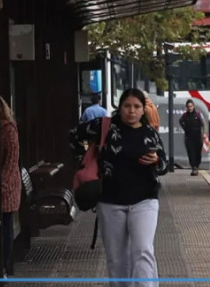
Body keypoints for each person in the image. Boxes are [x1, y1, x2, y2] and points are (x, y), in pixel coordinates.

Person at [69, 88, 168, 287]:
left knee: (142, 250)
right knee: (117, 258)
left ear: (143, 110)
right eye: (127, 106)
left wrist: (157, 160)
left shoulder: (150, 134)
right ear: (120, 107)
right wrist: (85, 159)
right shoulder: (104, 126)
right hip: (110, 201)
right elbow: (73, 136)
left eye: (136, 107)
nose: (132, 111)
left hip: (145, 200)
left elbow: (165, 165)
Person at [0, 96, 21, 277]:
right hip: (7, 184)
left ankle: (3, 267)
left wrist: (3, 184)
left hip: (6, 186)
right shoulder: (7, 128)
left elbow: (11, 160)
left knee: (5, 225)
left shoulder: (6, 130)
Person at [179, 99, 206, 176]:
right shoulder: (185, 115)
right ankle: (194, 168)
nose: (189, 108)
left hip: (197, 137)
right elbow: (180, 121)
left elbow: (204, 124)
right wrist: (185, 128)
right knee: (191, 153)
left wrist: (204, 133)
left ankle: (197, 165)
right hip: (189, 137)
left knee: (198, 153)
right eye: (188, 106)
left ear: (193, 106)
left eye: (191, 106)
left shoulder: (198, 114)